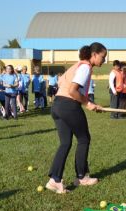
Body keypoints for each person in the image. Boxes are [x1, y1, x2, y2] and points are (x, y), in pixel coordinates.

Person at [46, 42, 106, 194]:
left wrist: (89, 103)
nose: (104, 60)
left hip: (57, 105)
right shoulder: (85, 67)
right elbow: (73, 91)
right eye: (102, 57)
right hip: (68, 105)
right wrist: (88, 103)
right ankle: (81, 177)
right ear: (93, 54)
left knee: (65, 143)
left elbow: (61, 83)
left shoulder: (77, 65)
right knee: (84, 139)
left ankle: (55, 180)